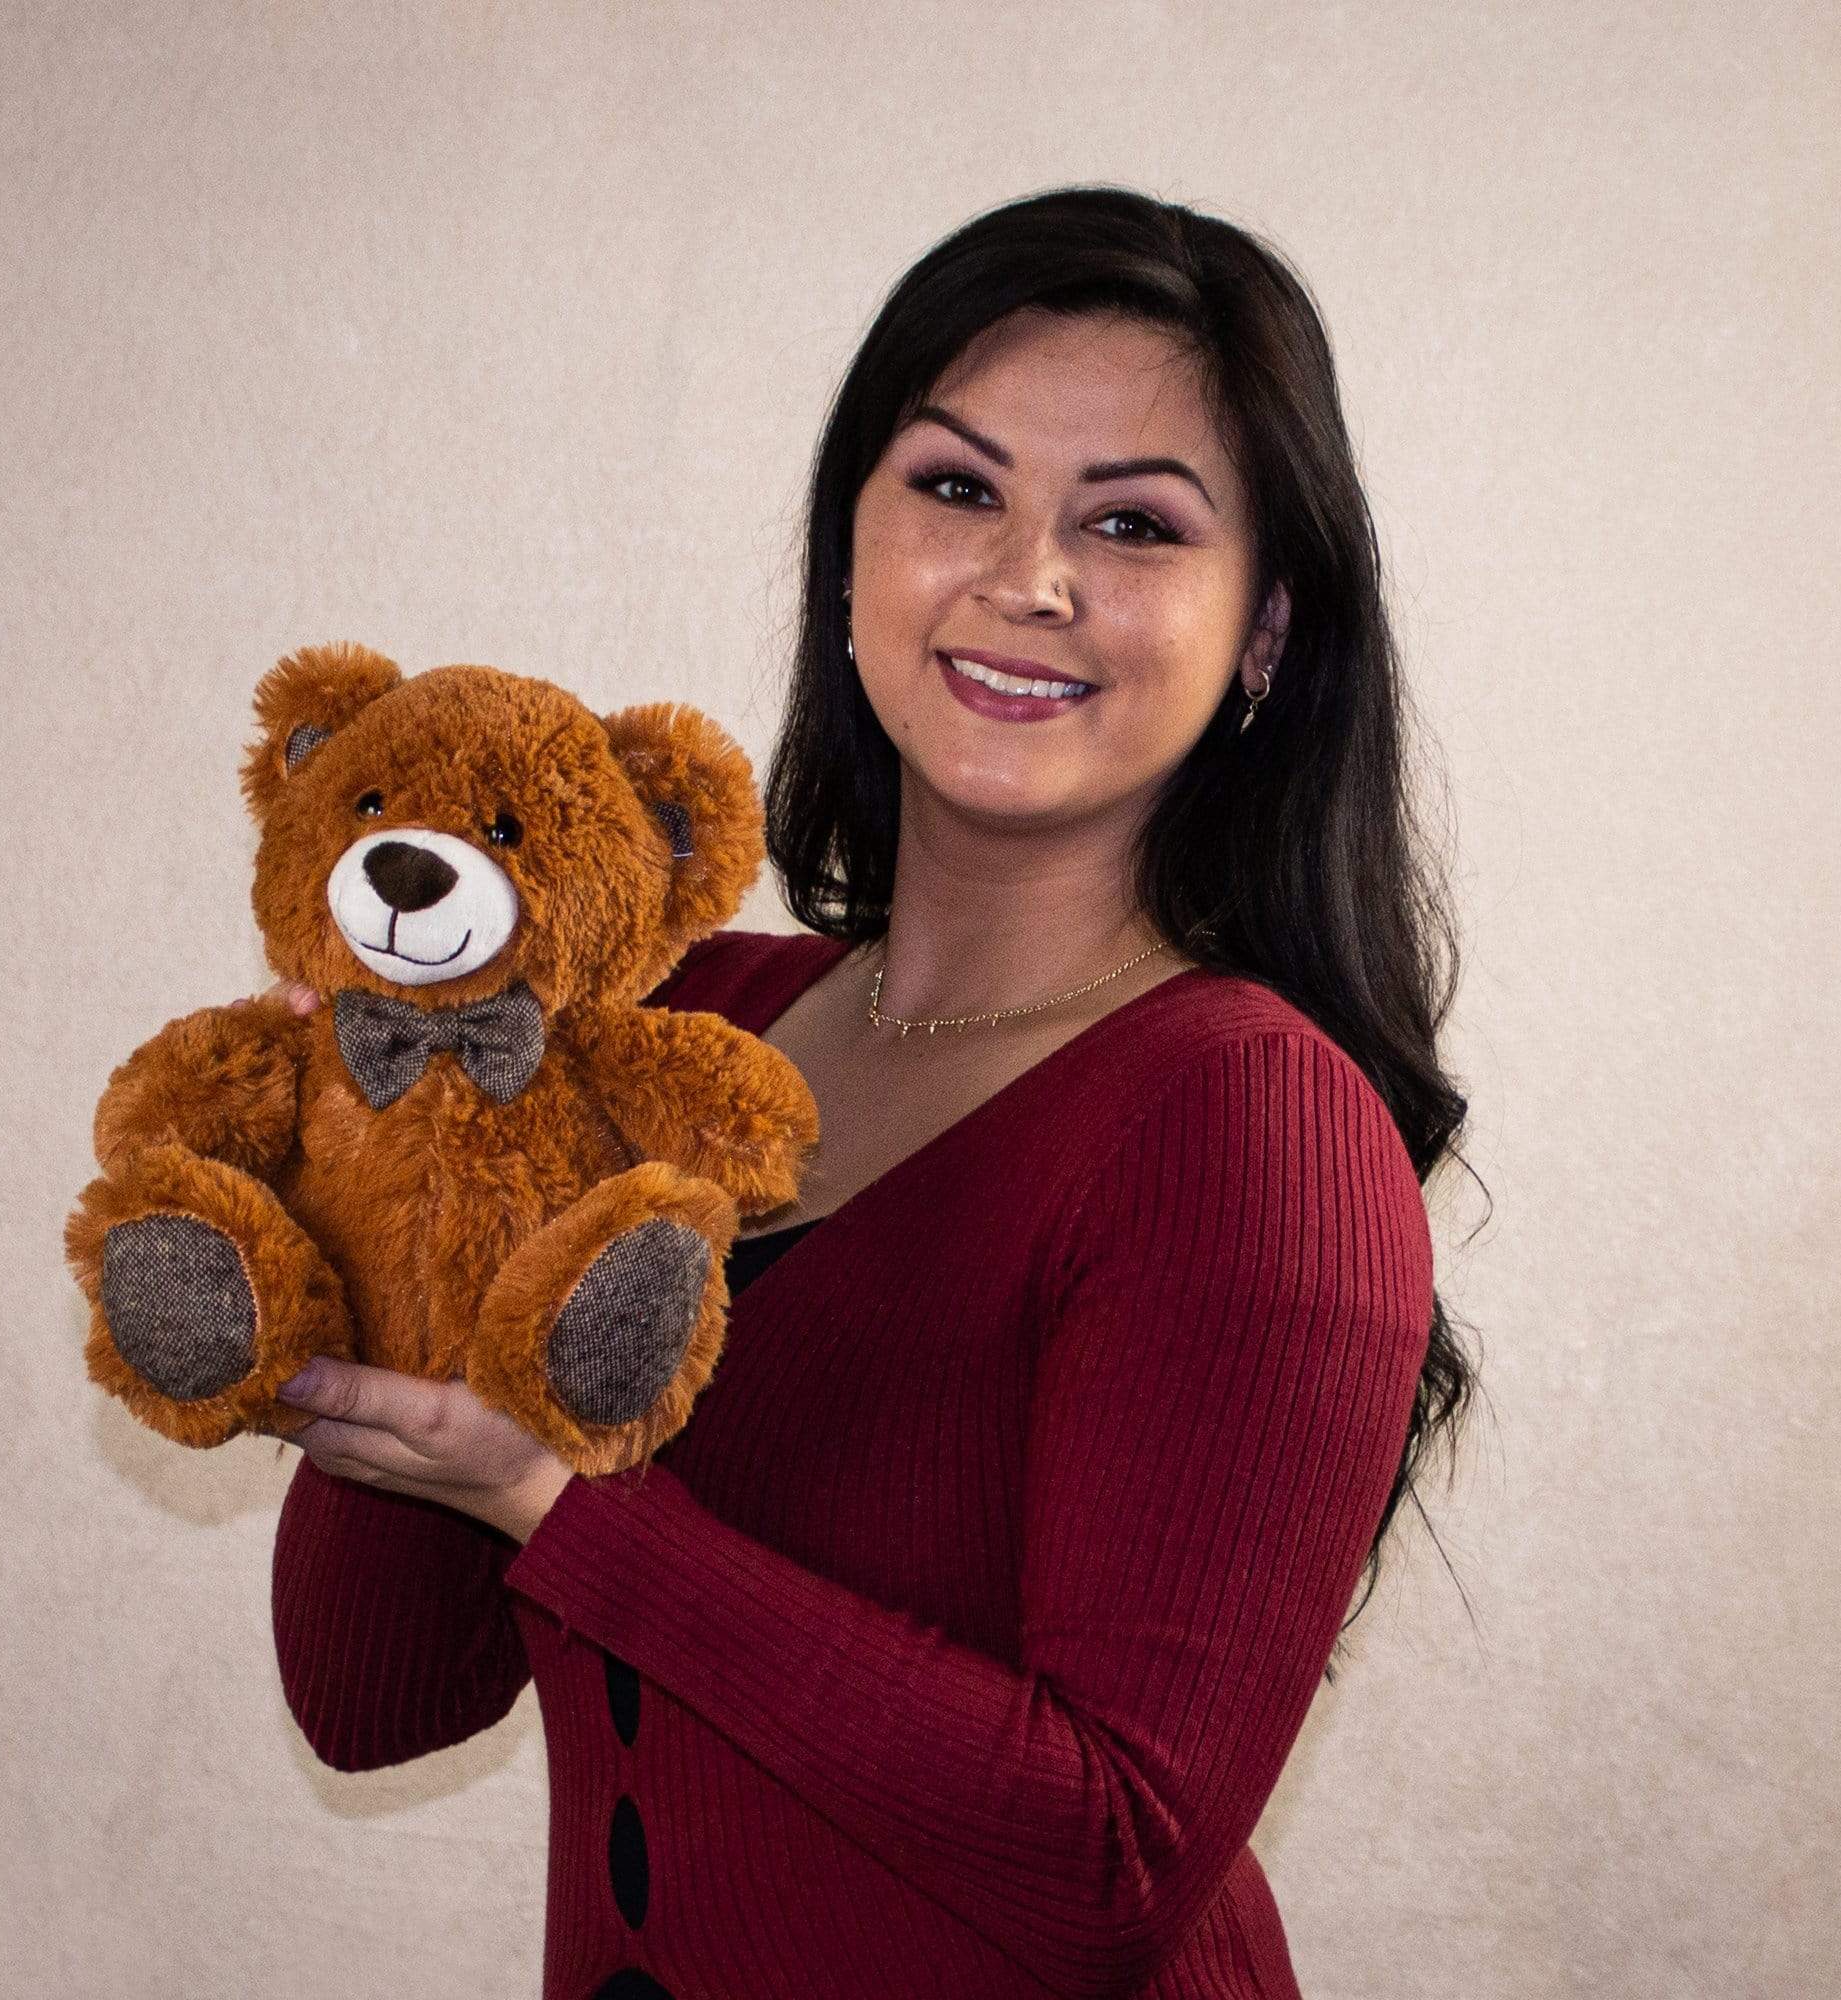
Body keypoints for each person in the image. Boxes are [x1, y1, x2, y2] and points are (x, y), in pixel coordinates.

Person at [267, 184, 1474, 1999]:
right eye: (957, 486)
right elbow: (376, 1700)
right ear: (853, 552)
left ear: (1270, 635)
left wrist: (562, 1503)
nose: (1028, 578)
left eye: (1134, 524)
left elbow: (1109, 1864)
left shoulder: (1249, 1124)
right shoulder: (679, 1024)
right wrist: (388, 1193)